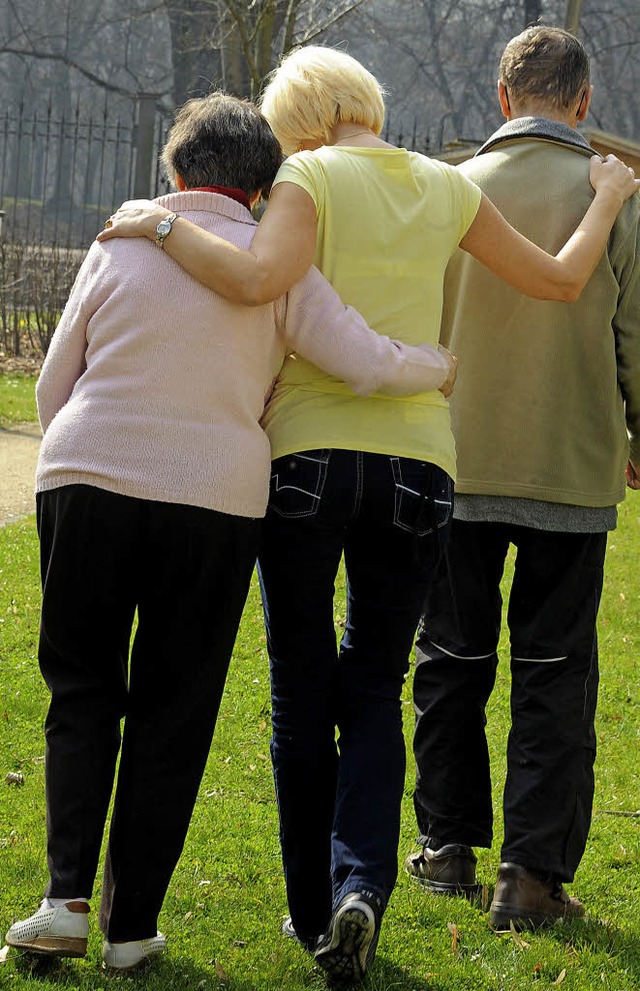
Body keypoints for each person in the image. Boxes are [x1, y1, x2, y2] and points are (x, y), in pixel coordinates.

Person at [97, 45, 638, 985]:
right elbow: (557, 280)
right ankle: (363, 890)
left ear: (294, 117)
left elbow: (263, 281)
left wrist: (161, 227)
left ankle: (316, 906)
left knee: (303, 693)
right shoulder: (445, 183)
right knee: (378, 686)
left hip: (308, 457)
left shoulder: (304, 175)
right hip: (422, 465)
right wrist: (606, 199)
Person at [3, 92, 456, 973]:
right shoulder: (275, 264)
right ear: (263, 189)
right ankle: (130, 928)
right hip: (215, 498)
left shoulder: (119, 240)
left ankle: (62, 900)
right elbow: (362, 357)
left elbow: (53, 384)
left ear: (172, 171)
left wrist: (80, 454)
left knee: (83, 691)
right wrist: (435, 365)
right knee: (174, 708)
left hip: (87, 477)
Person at [405, 25, 640, 932]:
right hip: (571, 470)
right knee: (554, 671)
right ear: (583, 102)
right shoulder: (611, 197)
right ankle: (531, 876)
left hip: (455, 462)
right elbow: (636, 341)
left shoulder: (449, 190)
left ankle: (446, 847)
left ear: (503, 99)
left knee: (449, 661)